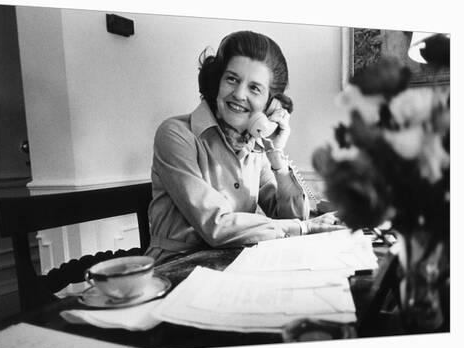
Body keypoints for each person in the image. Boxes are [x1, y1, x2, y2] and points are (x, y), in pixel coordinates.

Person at [145, 30, 343, 265]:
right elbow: (216, 225)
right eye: (232, 79)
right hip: (176, 266)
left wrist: (276, 155)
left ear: (270, 104)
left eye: (255, 88)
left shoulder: (256, 147)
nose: (239, 94)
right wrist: (303, 228)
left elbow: (293, 215)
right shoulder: (175, 134)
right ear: (217, 81)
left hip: (235, 262)